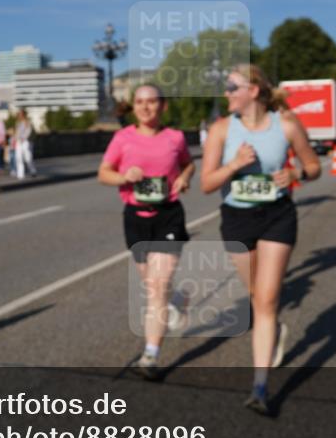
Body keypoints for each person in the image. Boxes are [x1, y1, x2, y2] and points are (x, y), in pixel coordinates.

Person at [201, 64, 321, 414]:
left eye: (231, 86)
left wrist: (296, 173)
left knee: (266, 301)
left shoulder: (286, 124)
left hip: (277, 217)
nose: (225, 93)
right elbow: (208, 184)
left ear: (252, 91)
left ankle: (260, 386)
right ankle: (276, 329)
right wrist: (234, 165)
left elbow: (314, 166)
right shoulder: (221, 130)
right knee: (256, 295)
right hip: (237, 219)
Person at [98, 85, 196, 381]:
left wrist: (183, 178)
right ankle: (177, 299)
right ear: (134, 107)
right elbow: (103, 172)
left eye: (152, 102)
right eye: (140, 102)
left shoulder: (174, 138)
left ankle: (150, 354)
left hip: (168, 216)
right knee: (153, 285)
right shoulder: (122, 138)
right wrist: (123, 176)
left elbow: (188, 164)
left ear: (162, 106)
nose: (145, 107)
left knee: (156, 287)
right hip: (136, 218)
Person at [14, 110, 37, 179]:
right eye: (19, 114)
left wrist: (23, 138)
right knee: (18, 157)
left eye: (21, 114)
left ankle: (32, 170)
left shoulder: (27, 122)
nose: (19, 116)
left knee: (28, 158)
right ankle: (20, 175)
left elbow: (29, 132)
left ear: (24, 115)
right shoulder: (17, 123)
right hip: (18, 142)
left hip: (26, 142)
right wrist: (16, 138)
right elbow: (16, 132)